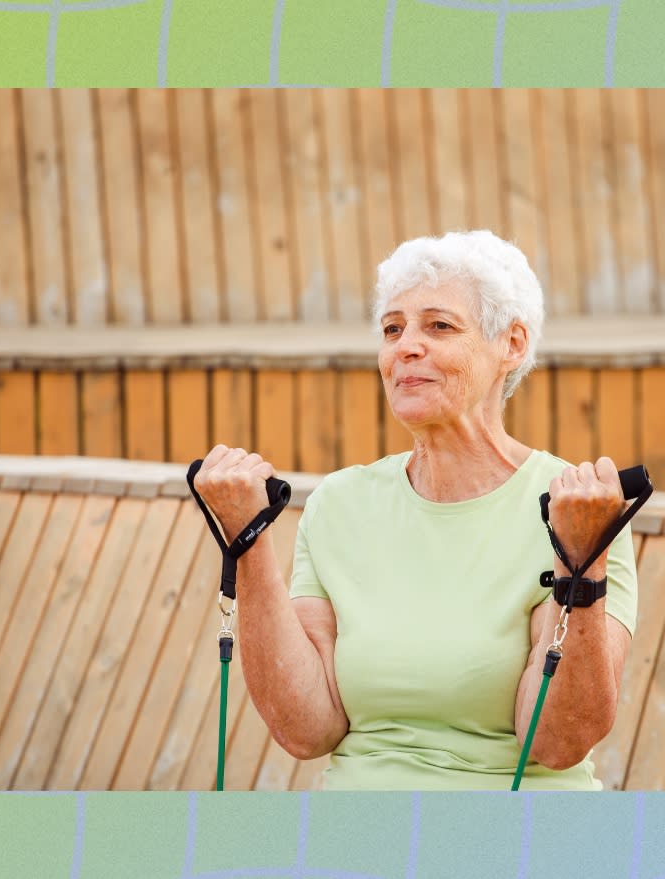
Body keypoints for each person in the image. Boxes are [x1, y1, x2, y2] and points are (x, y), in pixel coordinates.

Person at [192, 230, 637, 790]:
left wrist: (582, 563)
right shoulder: (340, 504)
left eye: (439, 326)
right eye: (392, 329)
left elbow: (556, 742)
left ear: (513, 344)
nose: (405, 347)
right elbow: (308, 729)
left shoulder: (579, 509)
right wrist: (247, 541)